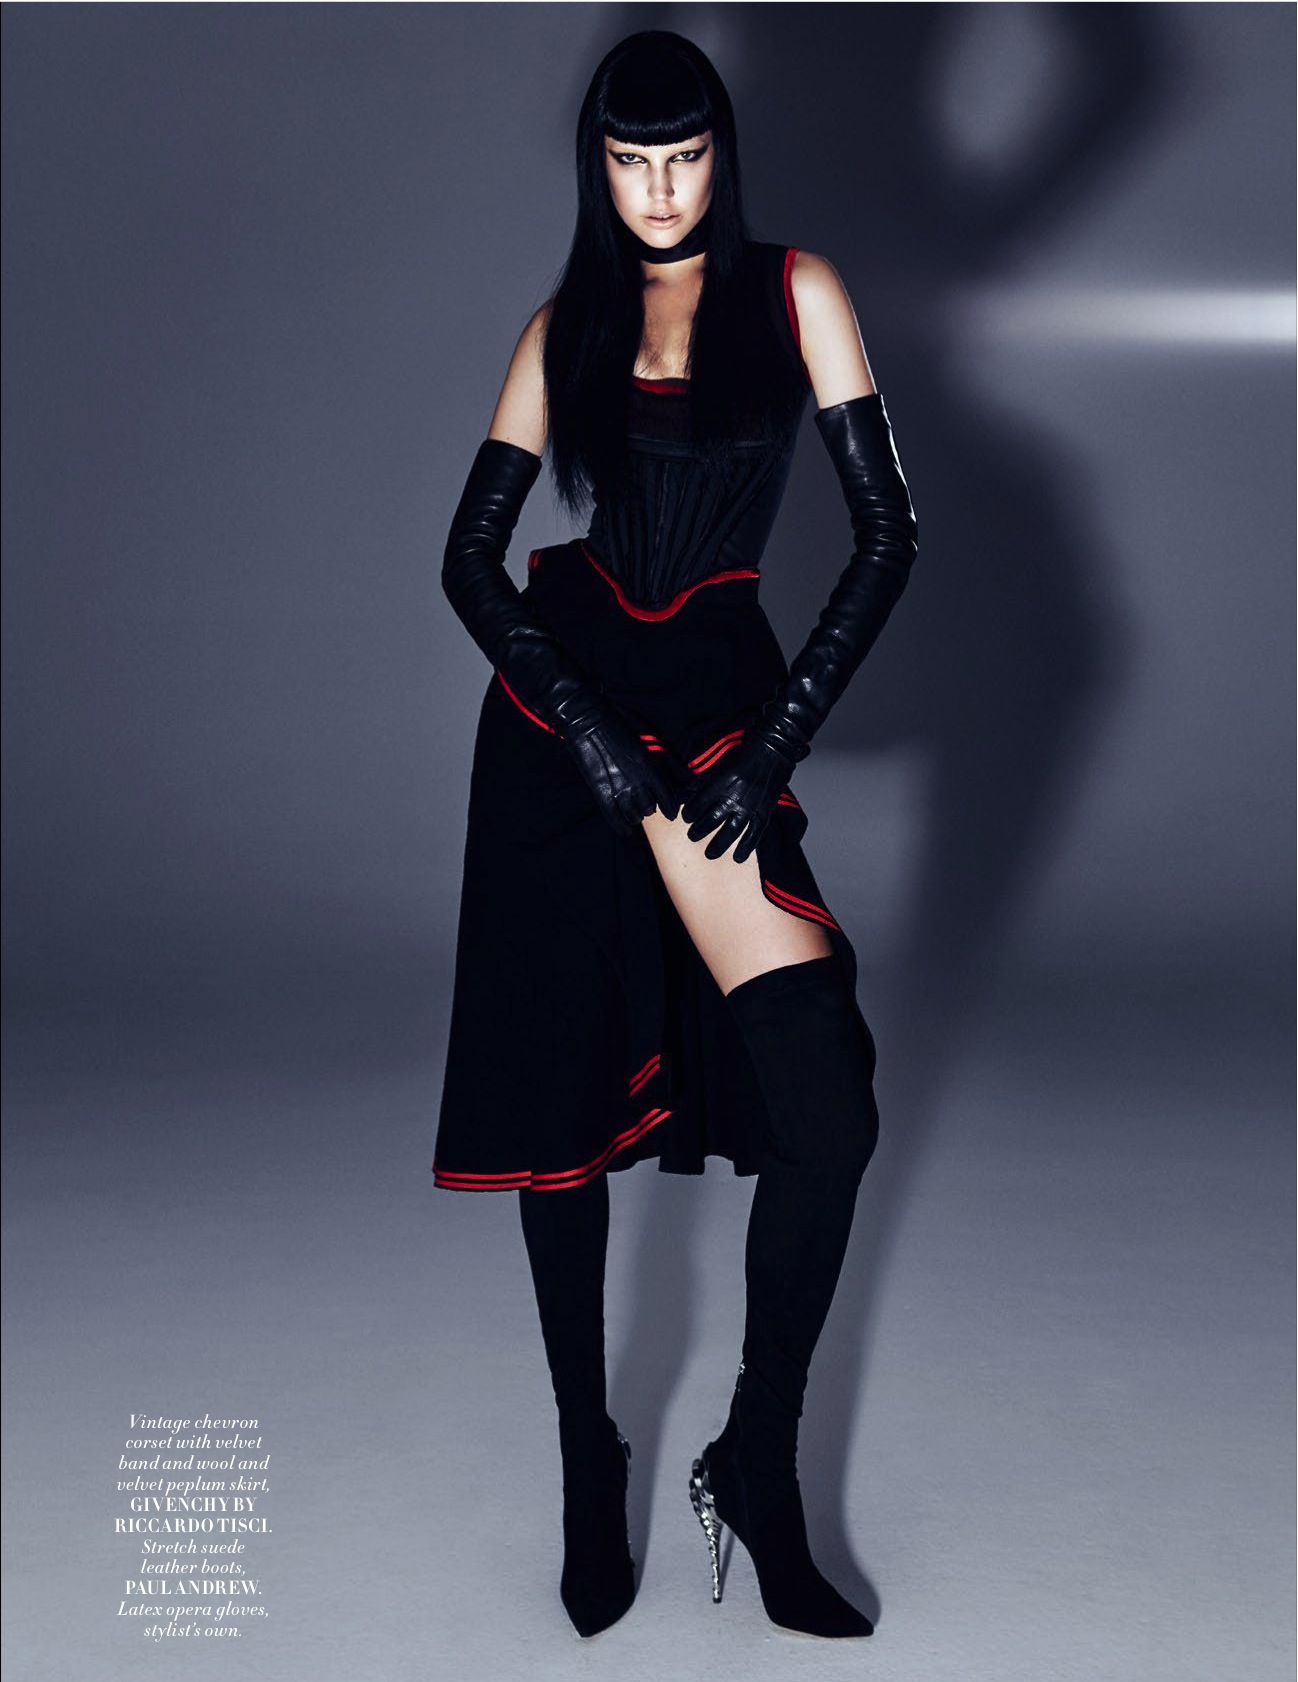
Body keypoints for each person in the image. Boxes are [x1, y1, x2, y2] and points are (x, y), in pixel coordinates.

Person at [432, 29, 917, 1642]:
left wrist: (773, 745)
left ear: (720, 154)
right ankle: (590, 1455)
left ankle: (755, 1464)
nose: (656, 190)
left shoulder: (794, 292)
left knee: (824, 1105)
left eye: (684, 156)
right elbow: (470, 558)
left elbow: (886, 535)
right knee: (560, 1124)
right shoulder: (562, 324)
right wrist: (577, 728)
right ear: (599, 165)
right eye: (629, 162)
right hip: (563, 726)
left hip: (716, 708)